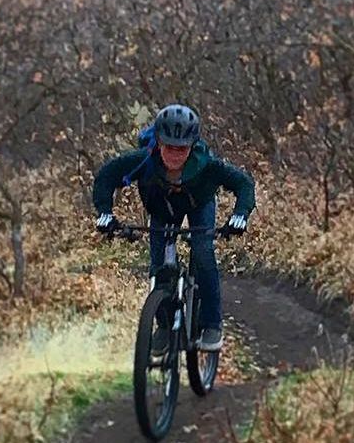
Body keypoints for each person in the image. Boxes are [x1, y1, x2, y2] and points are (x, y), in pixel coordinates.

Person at [92, 104, 255, 352]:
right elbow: (106, 176)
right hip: (162, 210)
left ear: (192, 146)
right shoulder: (143, 161)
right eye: (169, 147)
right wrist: (104, 212)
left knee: (202, 253)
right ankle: (165, 327)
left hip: (199, 205)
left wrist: (240, 215)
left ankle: (211, 324)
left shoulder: (207, 166)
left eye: (183, 148)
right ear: (158, 142)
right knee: (160, 266)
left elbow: (243, 184)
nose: (176, 154)